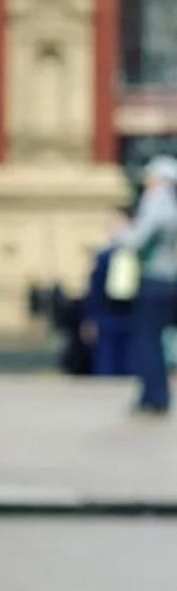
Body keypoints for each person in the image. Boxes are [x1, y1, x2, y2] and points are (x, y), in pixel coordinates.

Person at [122, 155, 177, 414]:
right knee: (157, 340)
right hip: (171, 280)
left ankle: (155, 396)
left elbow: (137, 240)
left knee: (148, 340)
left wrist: (120, 231)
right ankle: (152, 393)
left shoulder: (157, 202)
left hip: (156, 279)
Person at [81, 209, 134, 377]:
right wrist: (90, 319)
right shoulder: (104, 257)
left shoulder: (138, 257)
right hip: (107, 317)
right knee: (106, 366)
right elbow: (94, 292)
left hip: (132, 318)